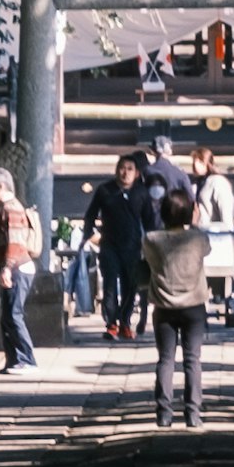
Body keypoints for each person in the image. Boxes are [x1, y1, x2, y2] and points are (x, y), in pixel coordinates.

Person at [144, 160, 215, 427]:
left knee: (165, 360)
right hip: (194, 305)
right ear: (188, 213)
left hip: (163, 306)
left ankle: (163, 414)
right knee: (192, 360)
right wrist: (194, 224)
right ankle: (193, 414)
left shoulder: (151, 240)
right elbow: (206, 248)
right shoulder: (197, 239)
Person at [89, 144, 152, 345]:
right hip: (109, 244)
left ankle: (125, 321)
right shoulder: (105, 190)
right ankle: (111, 322)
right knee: (109, 285)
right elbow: (91, 213)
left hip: (132, 246)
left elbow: (149, 219)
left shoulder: (142, 192)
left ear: (137, 173)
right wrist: (89, 232)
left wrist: (151, 242)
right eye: (122, 168)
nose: (125, 172)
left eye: (130, 169)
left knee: (130, 286)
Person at [0, 163, 41, 369]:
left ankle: (26, 359)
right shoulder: (7, 208)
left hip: (18, 267)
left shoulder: (11, 208)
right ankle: (13, 360)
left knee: (14, 315)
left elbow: (15, 242)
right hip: (14, 267)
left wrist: (7, 267)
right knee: (7, 317)